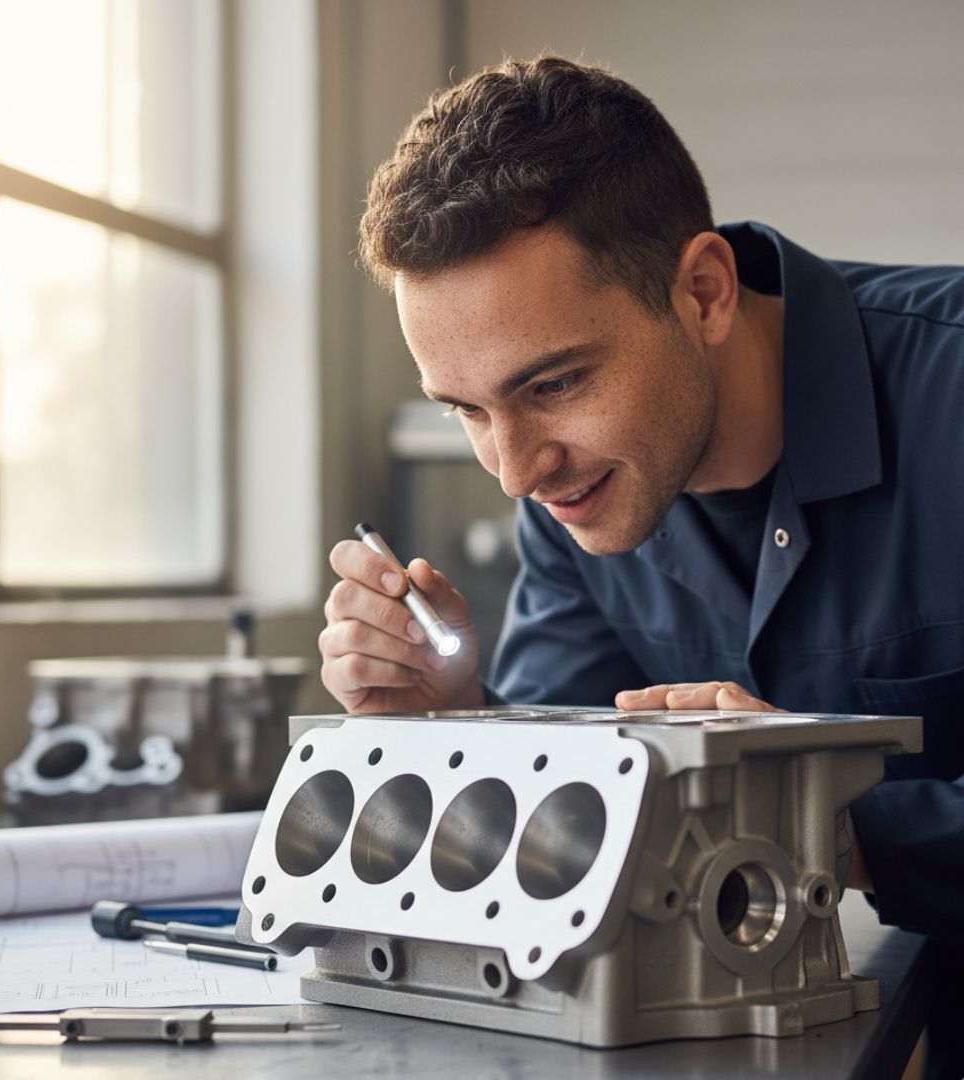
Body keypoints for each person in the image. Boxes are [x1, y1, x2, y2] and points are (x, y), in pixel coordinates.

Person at [317, 56, 963, 985]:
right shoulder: (574, 489)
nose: (514, 472)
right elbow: (571, 809)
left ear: (703, 291)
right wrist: (446, 732)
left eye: (554, 384)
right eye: (467, 409)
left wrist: (810, 816)